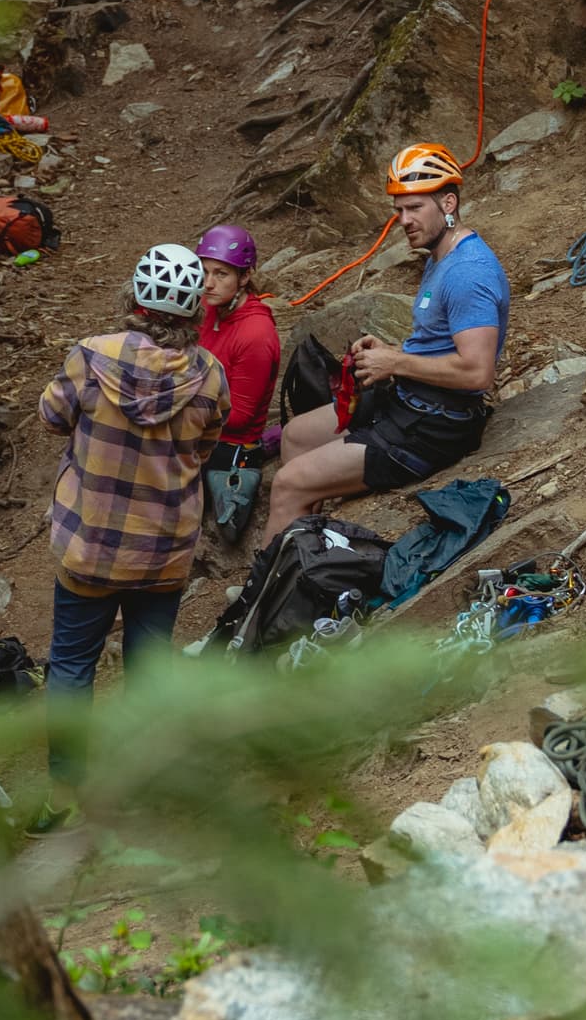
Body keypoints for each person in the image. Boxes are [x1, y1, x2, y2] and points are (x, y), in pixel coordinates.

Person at [255, 144, 508, 549]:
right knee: (296, 436)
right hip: (409, 401)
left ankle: (268, 591)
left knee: (287, 482)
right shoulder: (441, 255)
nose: (403, 221)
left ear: (448, 202)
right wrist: (391, 352)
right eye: (398, 211)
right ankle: (306, 543)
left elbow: (477, 372)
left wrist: (396, 361)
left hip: (434, 425)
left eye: (413, 209)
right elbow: (441, 343)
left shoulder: (467, 273)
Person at [38, 243, 229, 718]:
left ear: (134, 297)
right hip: (164, 553)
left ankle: (67, 787)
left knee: (71, 665)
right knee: (147, 672)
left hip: (91, 545)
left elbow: (51, 416)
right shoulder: (210, 374)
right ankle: (141, 779)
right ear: (193, 310)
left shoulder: (91, 356)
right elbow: (205, 447)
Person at [191, 223, 284, 548]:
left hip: (225, 443)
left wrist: (178, 409)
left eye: (221, 274)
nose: (208, 283)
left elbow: (240, 415)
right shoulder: (207, 309)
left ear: (244, 277)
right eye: (203, 272)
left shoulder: (255, 334)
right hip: (200, 427)